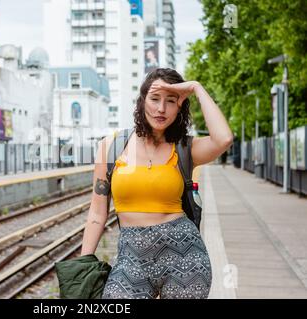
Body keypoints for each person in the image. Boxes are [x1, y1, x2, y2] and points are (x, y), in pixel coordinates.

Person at [80, 68, 234, 299]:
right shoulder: (110, 148)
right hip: (131, 259)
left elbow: (223, 139)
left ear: (179, 106)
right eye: (154, 99)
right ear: (142, 101)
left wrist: (196, 88)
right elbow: (96, 213)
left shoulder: (185, 148)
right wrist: (83, 266)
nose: (161, 109)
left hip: (185, 259)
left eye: (170, 101)